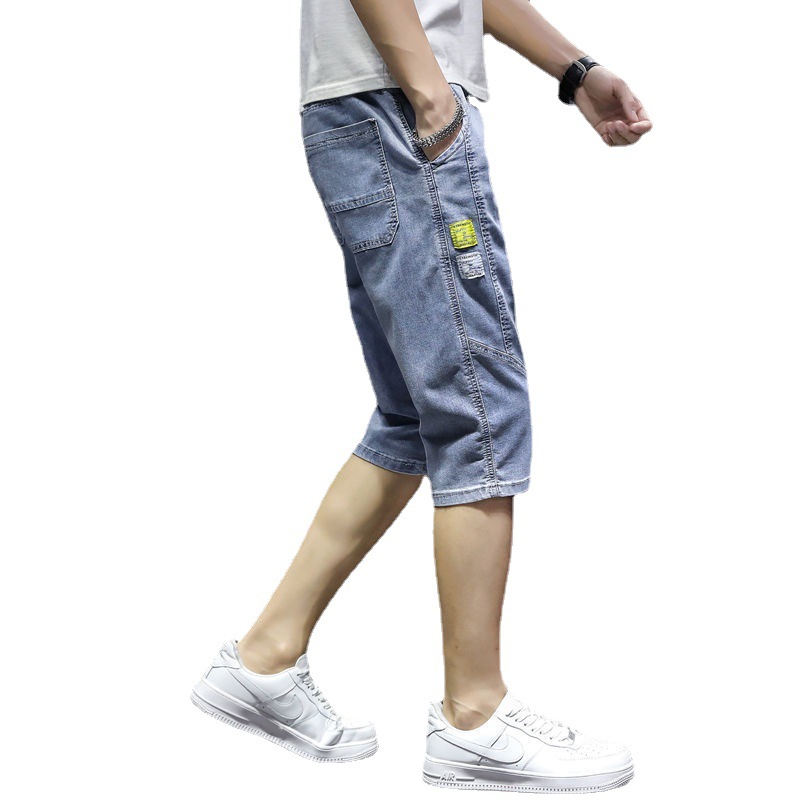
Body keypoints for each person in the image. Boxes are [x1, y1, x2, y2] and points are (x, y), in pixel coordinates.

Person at [190, 0, 652, 792]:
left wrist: (574, 71)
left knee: (413, 416)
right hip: (396, 108)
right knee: (479, 412)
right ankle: (475, 716)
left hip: (371, 110)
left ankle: (264, 657)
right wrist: (431, 96)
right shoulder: (415, 100)